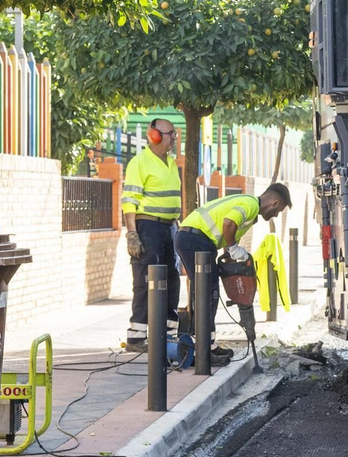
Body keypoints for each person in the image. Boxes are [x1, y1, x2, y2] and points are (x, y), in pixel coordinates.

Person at [175, 183, 292, 362]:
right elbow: (228, 223)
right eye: (279, 210)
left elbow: (226, 235)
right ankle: (201, 352)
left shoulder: (249, 210)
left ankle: (208, 345)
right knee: (206, 293)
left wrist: (231, 260)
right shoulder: (251, 205)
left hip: (196, 238)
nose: (276, 215)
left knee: (209, 293)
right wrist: (233, 247)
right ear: (275, 202)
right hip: (195, 238)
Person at [121, 118, 183, 351]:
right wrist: (132, 234)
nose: (174, 139)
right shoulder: (140, 163)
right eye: (170, 135)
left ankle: (168, 333)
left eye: (175, 135)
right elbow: (129, 200)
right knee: (146, 280)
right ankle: (137, 336)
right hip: (148, 227)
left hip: (170, 228)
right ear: (154, 135)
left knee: (172, 279)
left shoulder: (171, 163)